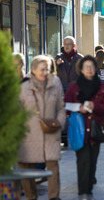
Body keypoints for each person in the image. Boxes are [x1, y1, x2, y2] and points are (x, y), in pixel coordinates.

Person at [19, 55, 66, 200]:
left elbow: (61, 107)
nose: (45, 72)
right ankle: (31, 196)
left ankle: (54, 197)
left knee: (53, 167)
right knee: (27, 169)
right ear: (33, 70)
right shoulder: (23, 88)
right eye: (42, 69)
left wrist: (59, 124)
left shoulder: (55, 83)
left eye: (47, 69)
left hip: (50, 132)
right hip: (29, 134)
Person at [64, 56, 104, 200]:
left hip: (96, 128)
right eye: (86, 67)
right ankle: (83, 191)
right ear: (81, 69)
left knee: (92, 160)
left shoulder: (102, 87)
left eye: (92, 66)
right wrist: (80, 108)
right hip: (80, 128)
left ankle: (89, 187)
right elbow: (66, 105)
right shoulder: (74, 86)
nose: (89, 69)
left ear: (95, 69)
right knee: (83, 159)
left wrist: (94, 107)